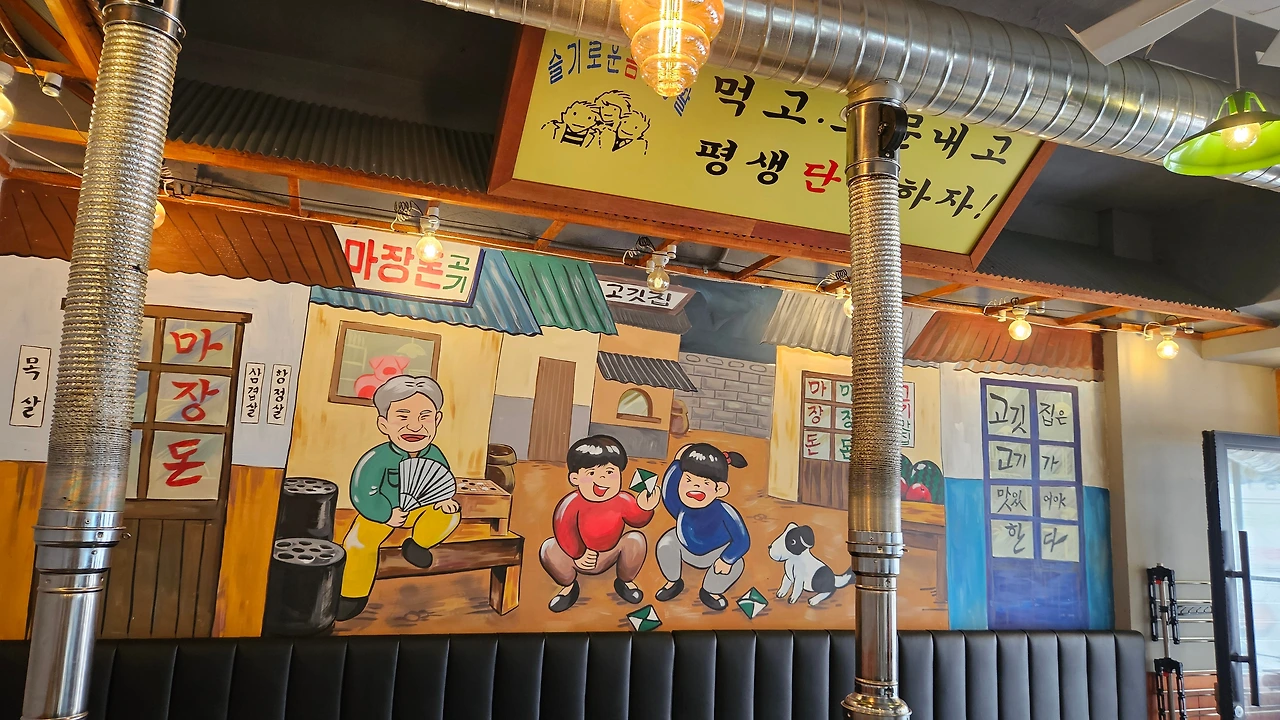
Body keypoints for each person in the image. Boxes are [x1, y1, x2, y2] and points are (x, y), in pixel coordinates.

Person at [336, 376, 459, 621]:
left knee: (450, 514)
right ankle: (352, 595)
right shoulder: (376, 458)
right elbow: (363, 493)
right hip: (381, 512)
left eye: (424, 417)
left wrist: (444, 499)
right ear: (384, 424)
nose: (415, 427)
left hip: (420, 511)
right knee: (358, 544)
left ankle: (417, 545)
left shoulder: (434, 454)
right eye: (403, 417)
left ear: (437, 420)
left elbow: (442, 480)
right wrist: (385, 513)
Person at [539, 435, 660, 612]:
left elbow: (638, 521)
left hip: (609, 553)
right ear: (575, 478)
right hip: (576, 557)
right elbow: (564, 529)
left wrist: (645, 508)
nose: (602, 479)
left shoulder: (623, 500)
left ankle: (625, 581)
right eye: (592, 473)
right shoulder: (571, 504)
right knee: (549, 548)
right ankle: (568, 587)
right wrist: (578, 554)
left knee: (636, 539)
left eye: (610, 472)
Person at [655, 443, 750, 611]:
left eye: (705, 483)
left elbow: (742, 539)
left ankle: (711, 591)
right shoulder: (680, 504)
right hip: (684, 545)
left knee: (737, 564)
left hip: (716, 555)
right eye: (688, 480)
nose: (695, 486)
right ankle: (673, 581)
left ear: (720, 489)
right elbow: (667, 491)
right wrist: (676, 462)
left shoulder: (725, 511)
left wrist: (727, 559)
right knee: (666, 543)